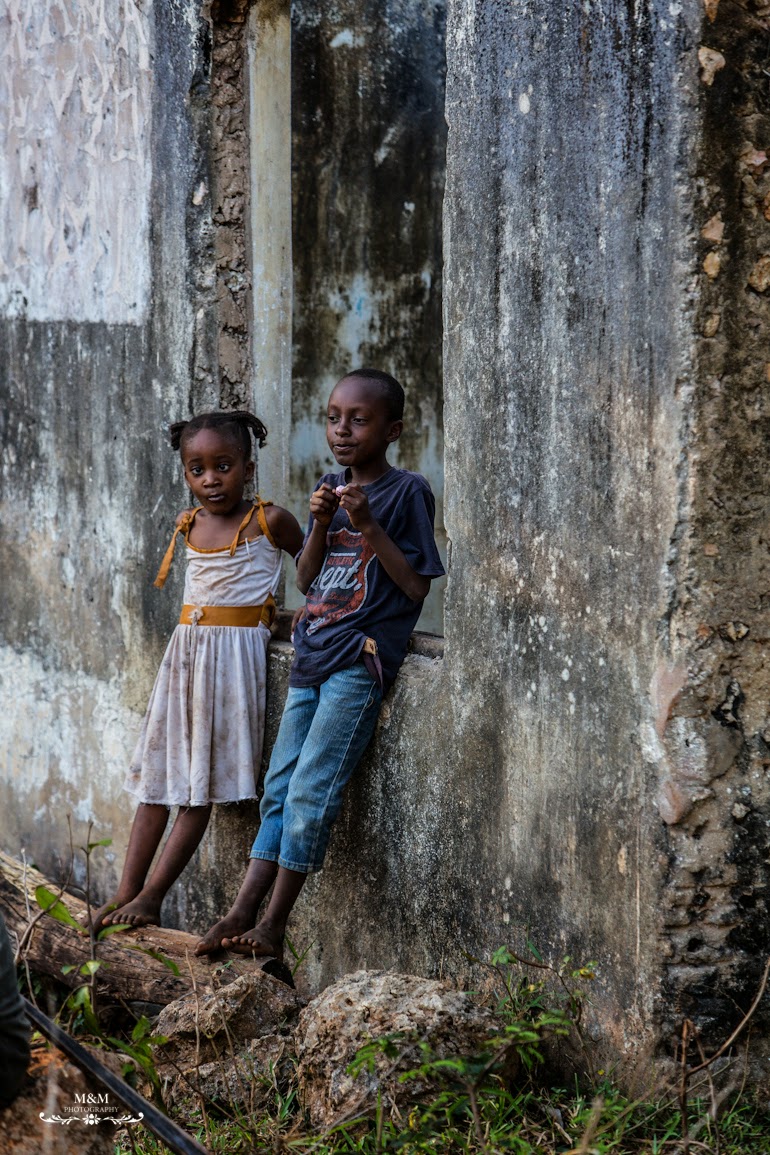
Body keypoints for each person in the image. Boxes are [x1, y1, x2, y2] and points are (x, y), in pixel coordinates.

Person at [196, 368, 445, 960]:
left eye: (359, 420)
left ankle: (273, 925)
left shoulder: (407, 492)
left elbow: (413, 589)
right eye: (334, 417)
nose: (342, 430)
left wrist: (366, 525)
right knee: (279, 788)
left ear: (393, 431)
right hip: (312, 655)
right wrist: (323, 523)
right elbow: (307, 579)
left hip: (357, 663)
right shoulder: (330, 487)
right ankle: (240, 910)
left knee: (310, 793)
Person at [93, 411, 304, 932]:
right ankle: (126, 891)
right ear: (186, 474)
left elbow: (315, 571)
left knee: (198, 788)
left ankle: (152, 898)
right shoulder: (189, 524)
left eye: (224, 466)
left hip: (231, 670)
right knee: (157, 783)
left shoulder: (269, 521)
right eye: (197, 469)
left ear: (249, 468)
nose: (210, 479)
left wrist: (298, 618)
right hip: (184, 662)